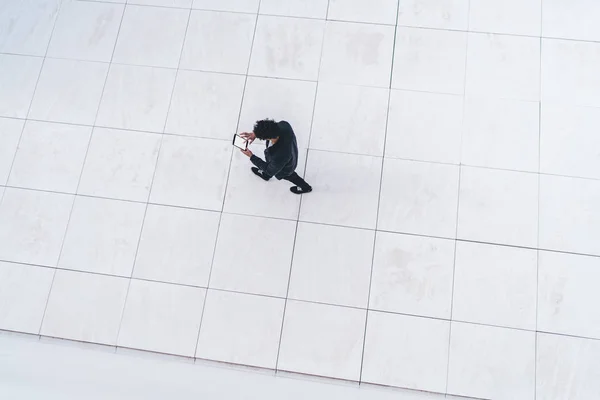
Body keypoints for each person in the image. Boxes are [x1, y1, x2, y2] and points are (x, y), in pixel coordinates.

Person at [239, 119, 312, 195]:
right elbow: (268, 128)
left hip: (286, 168)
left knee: (291, 176)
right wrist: (255, 134)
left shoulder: (280, 155)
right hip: (288, 155)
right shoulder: (284, 125)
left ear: (267, 138)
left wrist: (251, 156)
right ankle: (266, 176)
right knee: (270, 166)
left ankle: (305, 187)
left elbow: (269, 170)